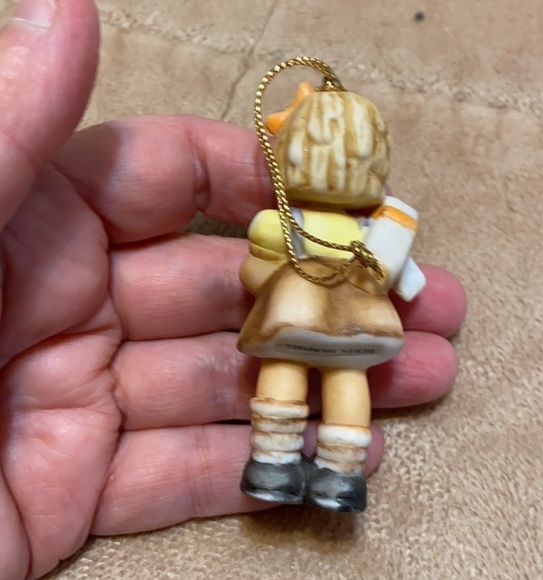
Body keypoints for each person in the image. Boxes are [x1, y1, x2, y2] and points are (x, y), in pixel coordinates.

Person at [0, 1, 467, 578]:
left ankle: (273, 461)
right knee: (348, 380)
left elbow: (255, 280)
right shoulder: (370, 228)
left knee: (283, 372)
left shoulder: (281, 223)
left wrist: (268, 260)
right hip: (358, 321)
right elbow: (381, 275)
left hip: (294, 316)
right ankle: (340, 473)